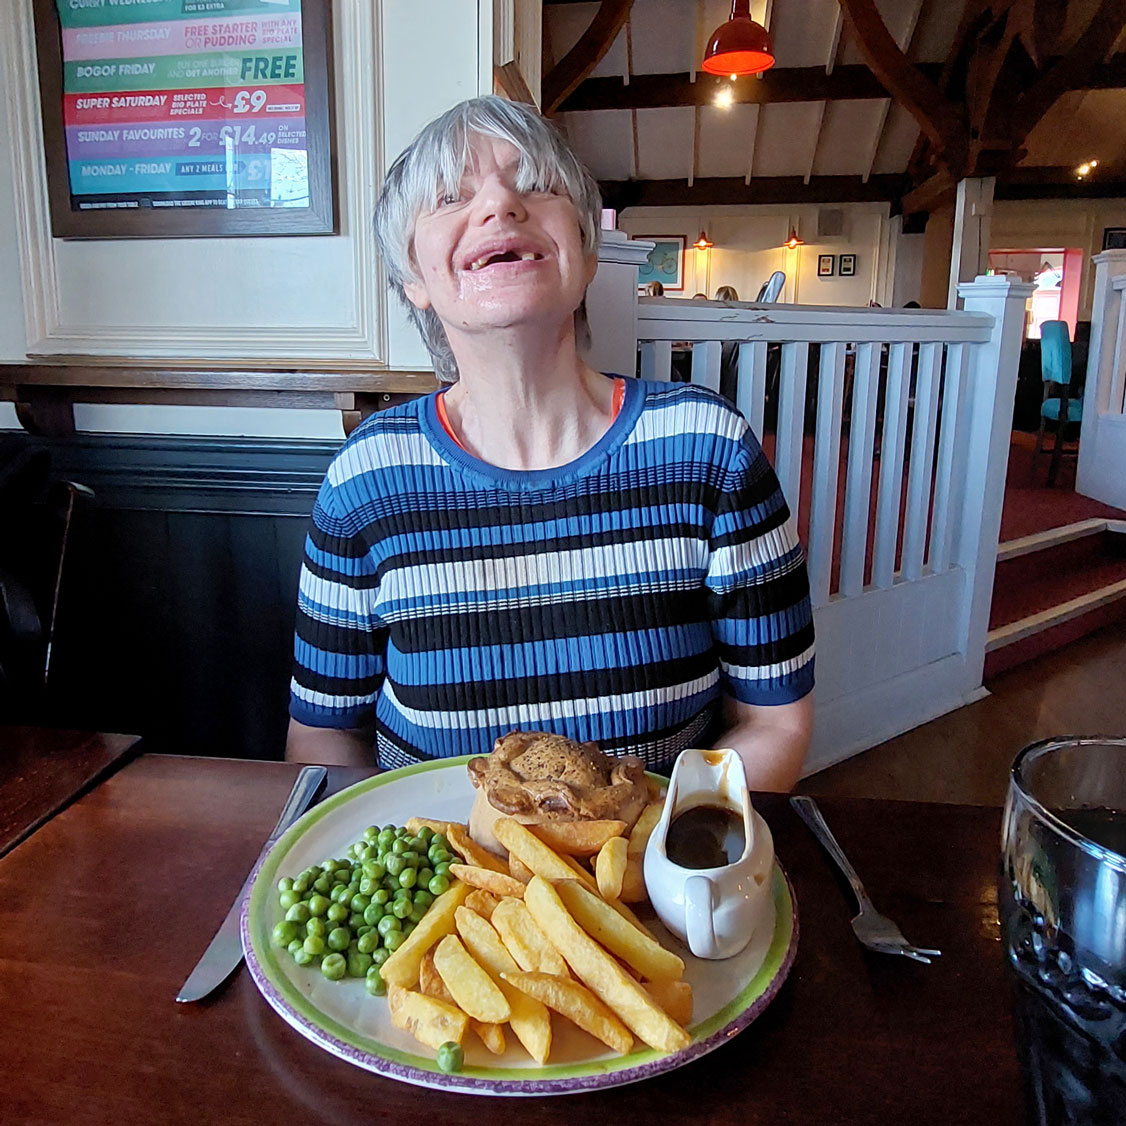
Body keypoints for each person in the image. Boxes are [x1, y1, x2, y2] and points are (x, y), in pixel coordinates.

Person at [286, 96, 814, 791]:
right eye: (451, 196)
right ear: (413, 277)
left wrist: (662, 848)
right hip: (439, 857)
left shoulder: (709, 447)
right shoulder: (365, 477)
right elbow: (323, 733)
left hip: (652, 856)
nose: (500, 205)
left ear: (587, 253)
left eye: (535, 184)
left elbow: (775, 720)